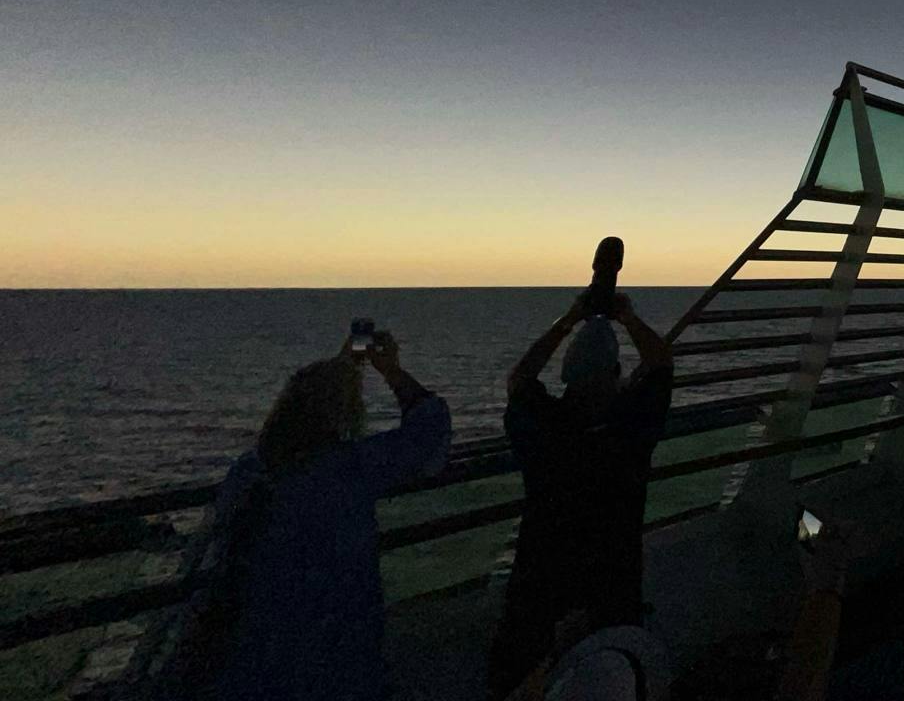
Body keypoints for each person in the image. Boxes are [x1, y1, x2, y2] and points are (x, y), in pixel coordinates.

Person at [138, 332, 450, 701]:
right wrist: (390, 370)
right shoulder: (347, 470)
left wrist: (340, 370)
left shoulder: (250, 472)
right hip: (333, 659)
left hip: (250, 660)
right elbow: (430, 432)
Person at [488, 293, 677, 699]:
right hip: (612, 590)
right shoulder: (631, 429)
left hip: (538, 589)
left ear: (567, 375)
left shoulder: (542, 426)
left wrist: (568, 319)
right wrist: (627, 317)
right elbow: (661, 363)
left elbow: (519, 379)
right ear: (616, 372)